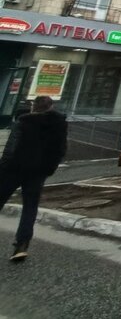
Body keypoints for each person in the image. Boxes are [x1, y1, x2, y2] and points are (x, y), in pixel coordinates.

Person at [0, 95, 68, 262]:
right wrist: (49, 169)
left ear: (33, 106)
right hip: (38, 172)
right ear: (51, 107)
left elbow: (11, 148)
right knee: (30, 207)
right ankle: (22, 245)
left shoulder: (24, 121)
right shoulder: (59, 125)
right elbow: (60, 150)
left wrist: (3, 167)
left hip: (14, 169)